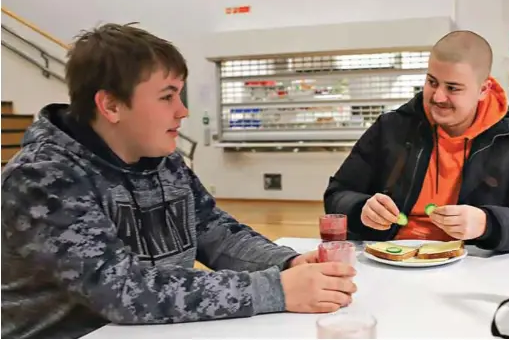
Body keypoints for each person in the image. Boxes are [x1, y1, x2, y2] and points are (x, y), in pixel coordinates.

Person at [1, 23, 357, 339]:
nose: (182, 111)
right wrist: (277, 289)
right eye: (167, 96)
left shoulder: (164, 160)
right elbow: (120, 290)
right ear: (111, 106)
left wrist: (286, 264)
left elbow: (214, 231)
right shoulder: (43, 177)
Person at [323, 30, 509, 252]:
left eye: (453, 88)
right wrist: (361, 209)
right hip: (387, 261)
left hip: (472, 267)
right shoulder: (390, 128)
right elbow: (337, 195)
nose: (438, 97)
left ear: (483, 89)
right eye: (432, 82)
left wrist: (488, 224)